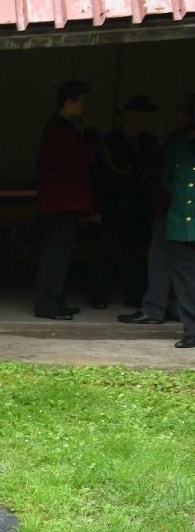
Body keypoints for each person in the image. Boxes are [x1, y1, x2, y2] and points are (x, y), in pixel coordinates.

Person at [127, 96, 194, 327]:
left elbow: (167, 180)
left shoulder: (178, 141)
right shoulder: (177, 140)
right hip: (174, 212)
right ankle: (174, 309)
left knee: (162, 259)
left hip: (172, 212)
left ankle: (156, 308)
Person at [33, 80, 96, 320]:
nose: (84, 107)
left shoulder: (61, 127)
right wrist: (89, 133)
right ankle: (48, 306)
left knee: (60, 255)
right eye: (82, 102)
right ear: (69, 102)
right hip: (60, 203)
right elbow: (80, 160)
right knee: (55, 256)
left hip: (60, 203)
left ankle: (56, 302)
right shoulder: (60, 129)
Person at [94, 96, 162, 311]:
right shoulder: (109, 142)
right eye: (137, 114)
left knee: (135, 254)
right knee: (105, 252)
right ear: (126, 115)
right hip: (112, 205)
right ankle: (98, 295)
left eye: (143, 115)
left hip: (139, 206)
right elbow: (99, 177)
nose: (140, 119)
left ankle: (133, 295)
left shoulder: (150, 142)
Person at [164, 103, 195, 349]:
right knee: (185, 282)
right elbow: (167, 181)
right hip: (180, 224)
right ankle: (192, 331)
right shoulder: (177, 147)